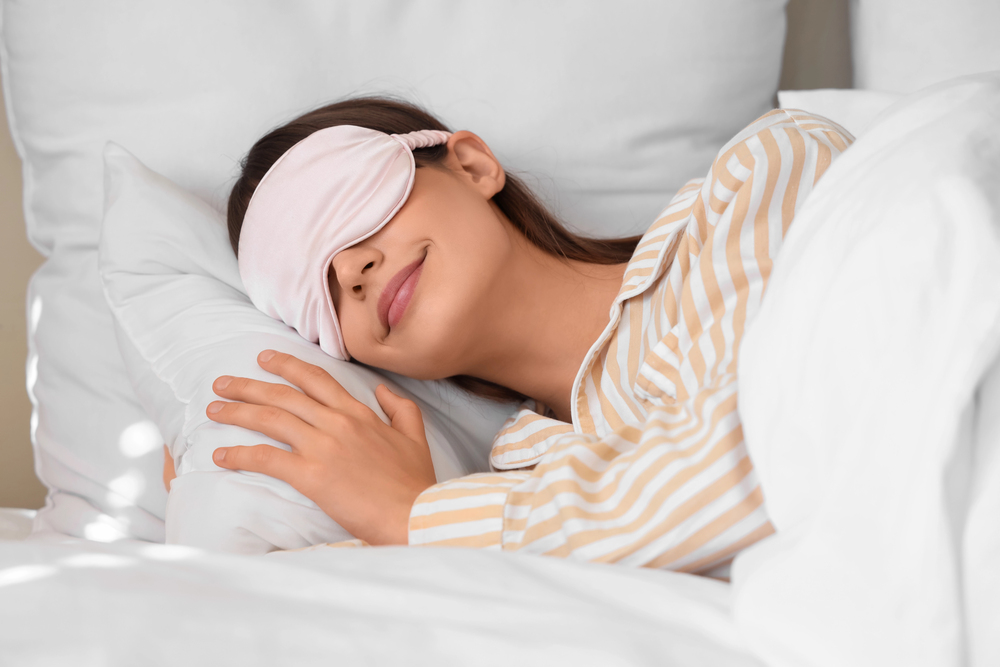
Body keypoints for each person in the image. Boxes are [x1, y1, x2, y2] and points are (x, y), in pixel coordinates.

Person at [166, 97, 852, 574]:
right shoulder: (522, 480)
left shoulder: (763, 177)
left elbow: (760, 459)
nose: (350, 267)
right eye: (311, 289)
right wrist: (209, 536)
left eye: (351, 205)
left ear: (471, 165)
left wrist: (417, 516)